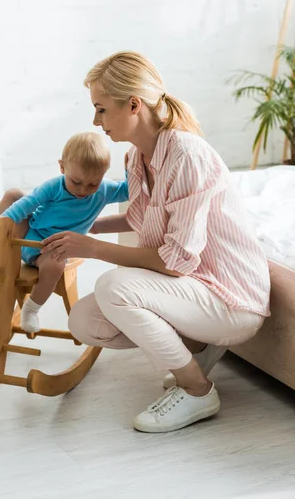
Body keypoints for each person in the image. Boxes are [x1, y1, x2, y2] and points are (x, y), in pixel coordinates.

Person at [40, 51, 270, 434]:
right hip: (196, 288)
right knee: (85, 321)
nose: (95, 121)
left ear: (133, 105)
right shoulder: (136, 157)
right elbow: (138, 219)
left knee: (114, 285)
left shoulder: (186, 155)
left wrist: (90, 247)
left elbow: (176, 261)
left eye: (100, 109)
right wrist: (77, 228)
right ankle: (196, 345)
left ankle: (197, 390)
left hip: (233, 298)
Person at [0, 132, 128, 333]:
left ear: (104, 174)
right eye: (76, 182)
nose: (83, 190)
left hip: (52, 250)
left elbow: (128, 191)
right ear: (62, 167)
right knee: (14, 195)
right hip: (27, 234)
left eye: (92, 183)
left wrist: (131, 168)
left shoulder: (105, 190)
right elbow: (25, 205)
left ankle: (31, 309)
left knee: (56, 264)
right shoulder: (54, 186)